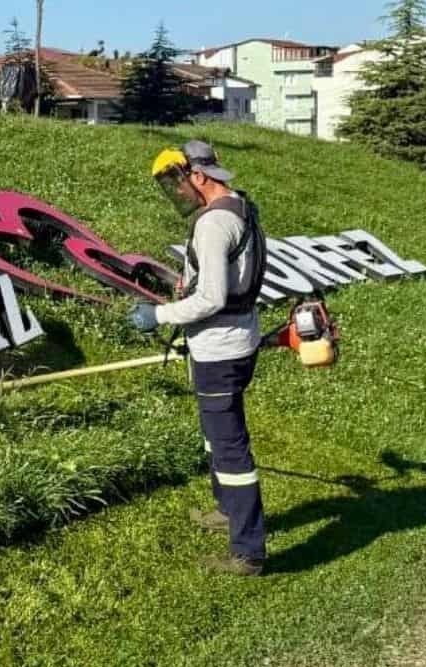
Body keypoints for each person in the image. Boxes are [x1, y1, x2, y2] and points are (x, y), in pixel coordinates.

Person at [130, 140, 269, 576]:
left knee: (229, 448)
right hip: (238, 339)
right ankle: (228, 511)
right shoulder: (240, 206)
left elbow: (211, 298)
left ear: (199, 175)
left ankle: (248, 552)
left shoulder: (212, 225)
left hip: (219, 350)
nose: (176, 192)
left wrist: (158, 315)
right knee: (215, 437)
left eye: (177, 181)